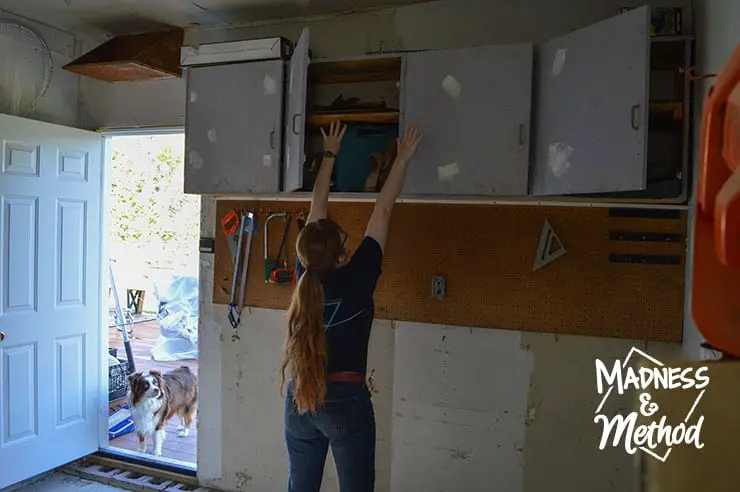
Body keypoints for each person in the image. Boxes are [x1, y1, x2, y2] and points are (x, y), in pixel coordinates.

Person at [280, 120, 422, 491]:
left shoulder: (303, 278)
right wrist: (403, 158)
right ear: (343, 255)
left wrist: (329, 155)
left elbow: (316, 212)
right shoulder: (356, 281)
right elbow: (383, 212)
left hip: (299, 399)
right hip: (344, 401)